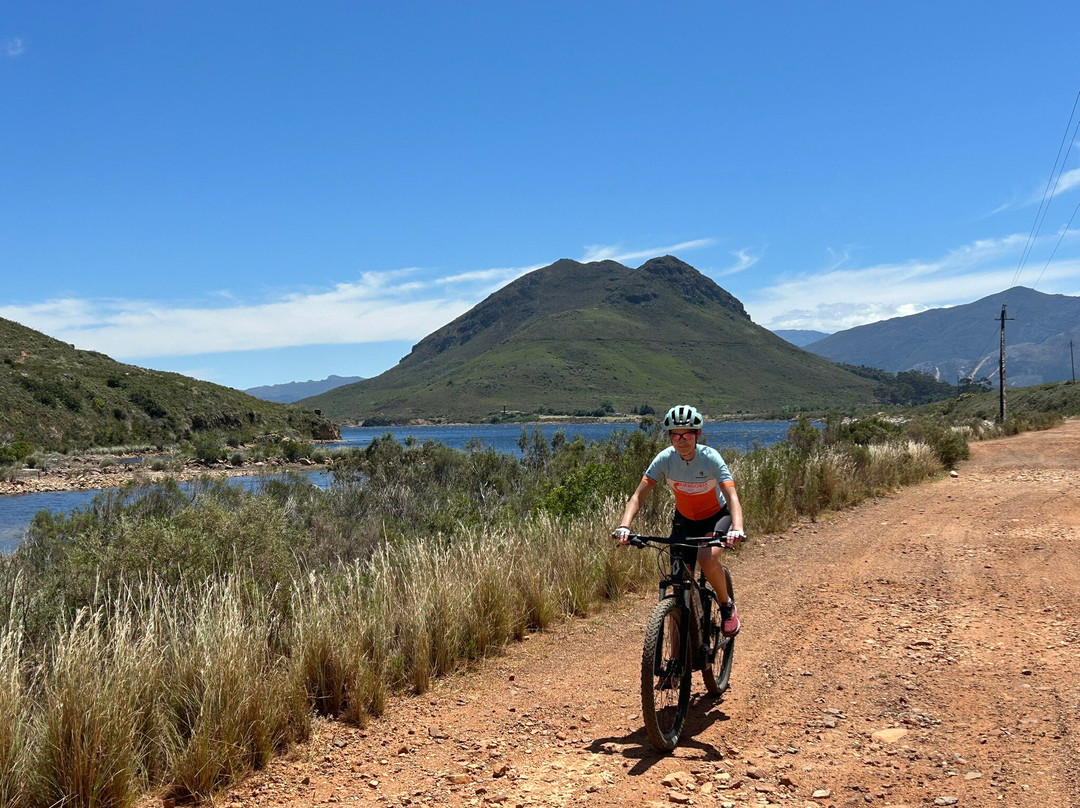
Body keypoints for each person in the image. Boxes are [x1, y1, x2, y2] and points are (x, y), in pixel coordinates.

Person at [612, 404, 745, 636]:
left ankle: (726, 606)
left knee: (706, 558)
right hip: (684, 520)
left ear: (698, 434)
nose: (681, 440)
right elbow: (638, 496)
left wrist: (737, 529)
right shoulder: (665, 459)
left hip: (716, 517)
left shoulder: (710, 458)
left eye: (687, 434)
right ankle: (676, 659)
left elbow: (732, 497)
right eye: (675, 434)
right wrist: (625, 525)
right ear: (670, 436)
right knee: (677, 580)